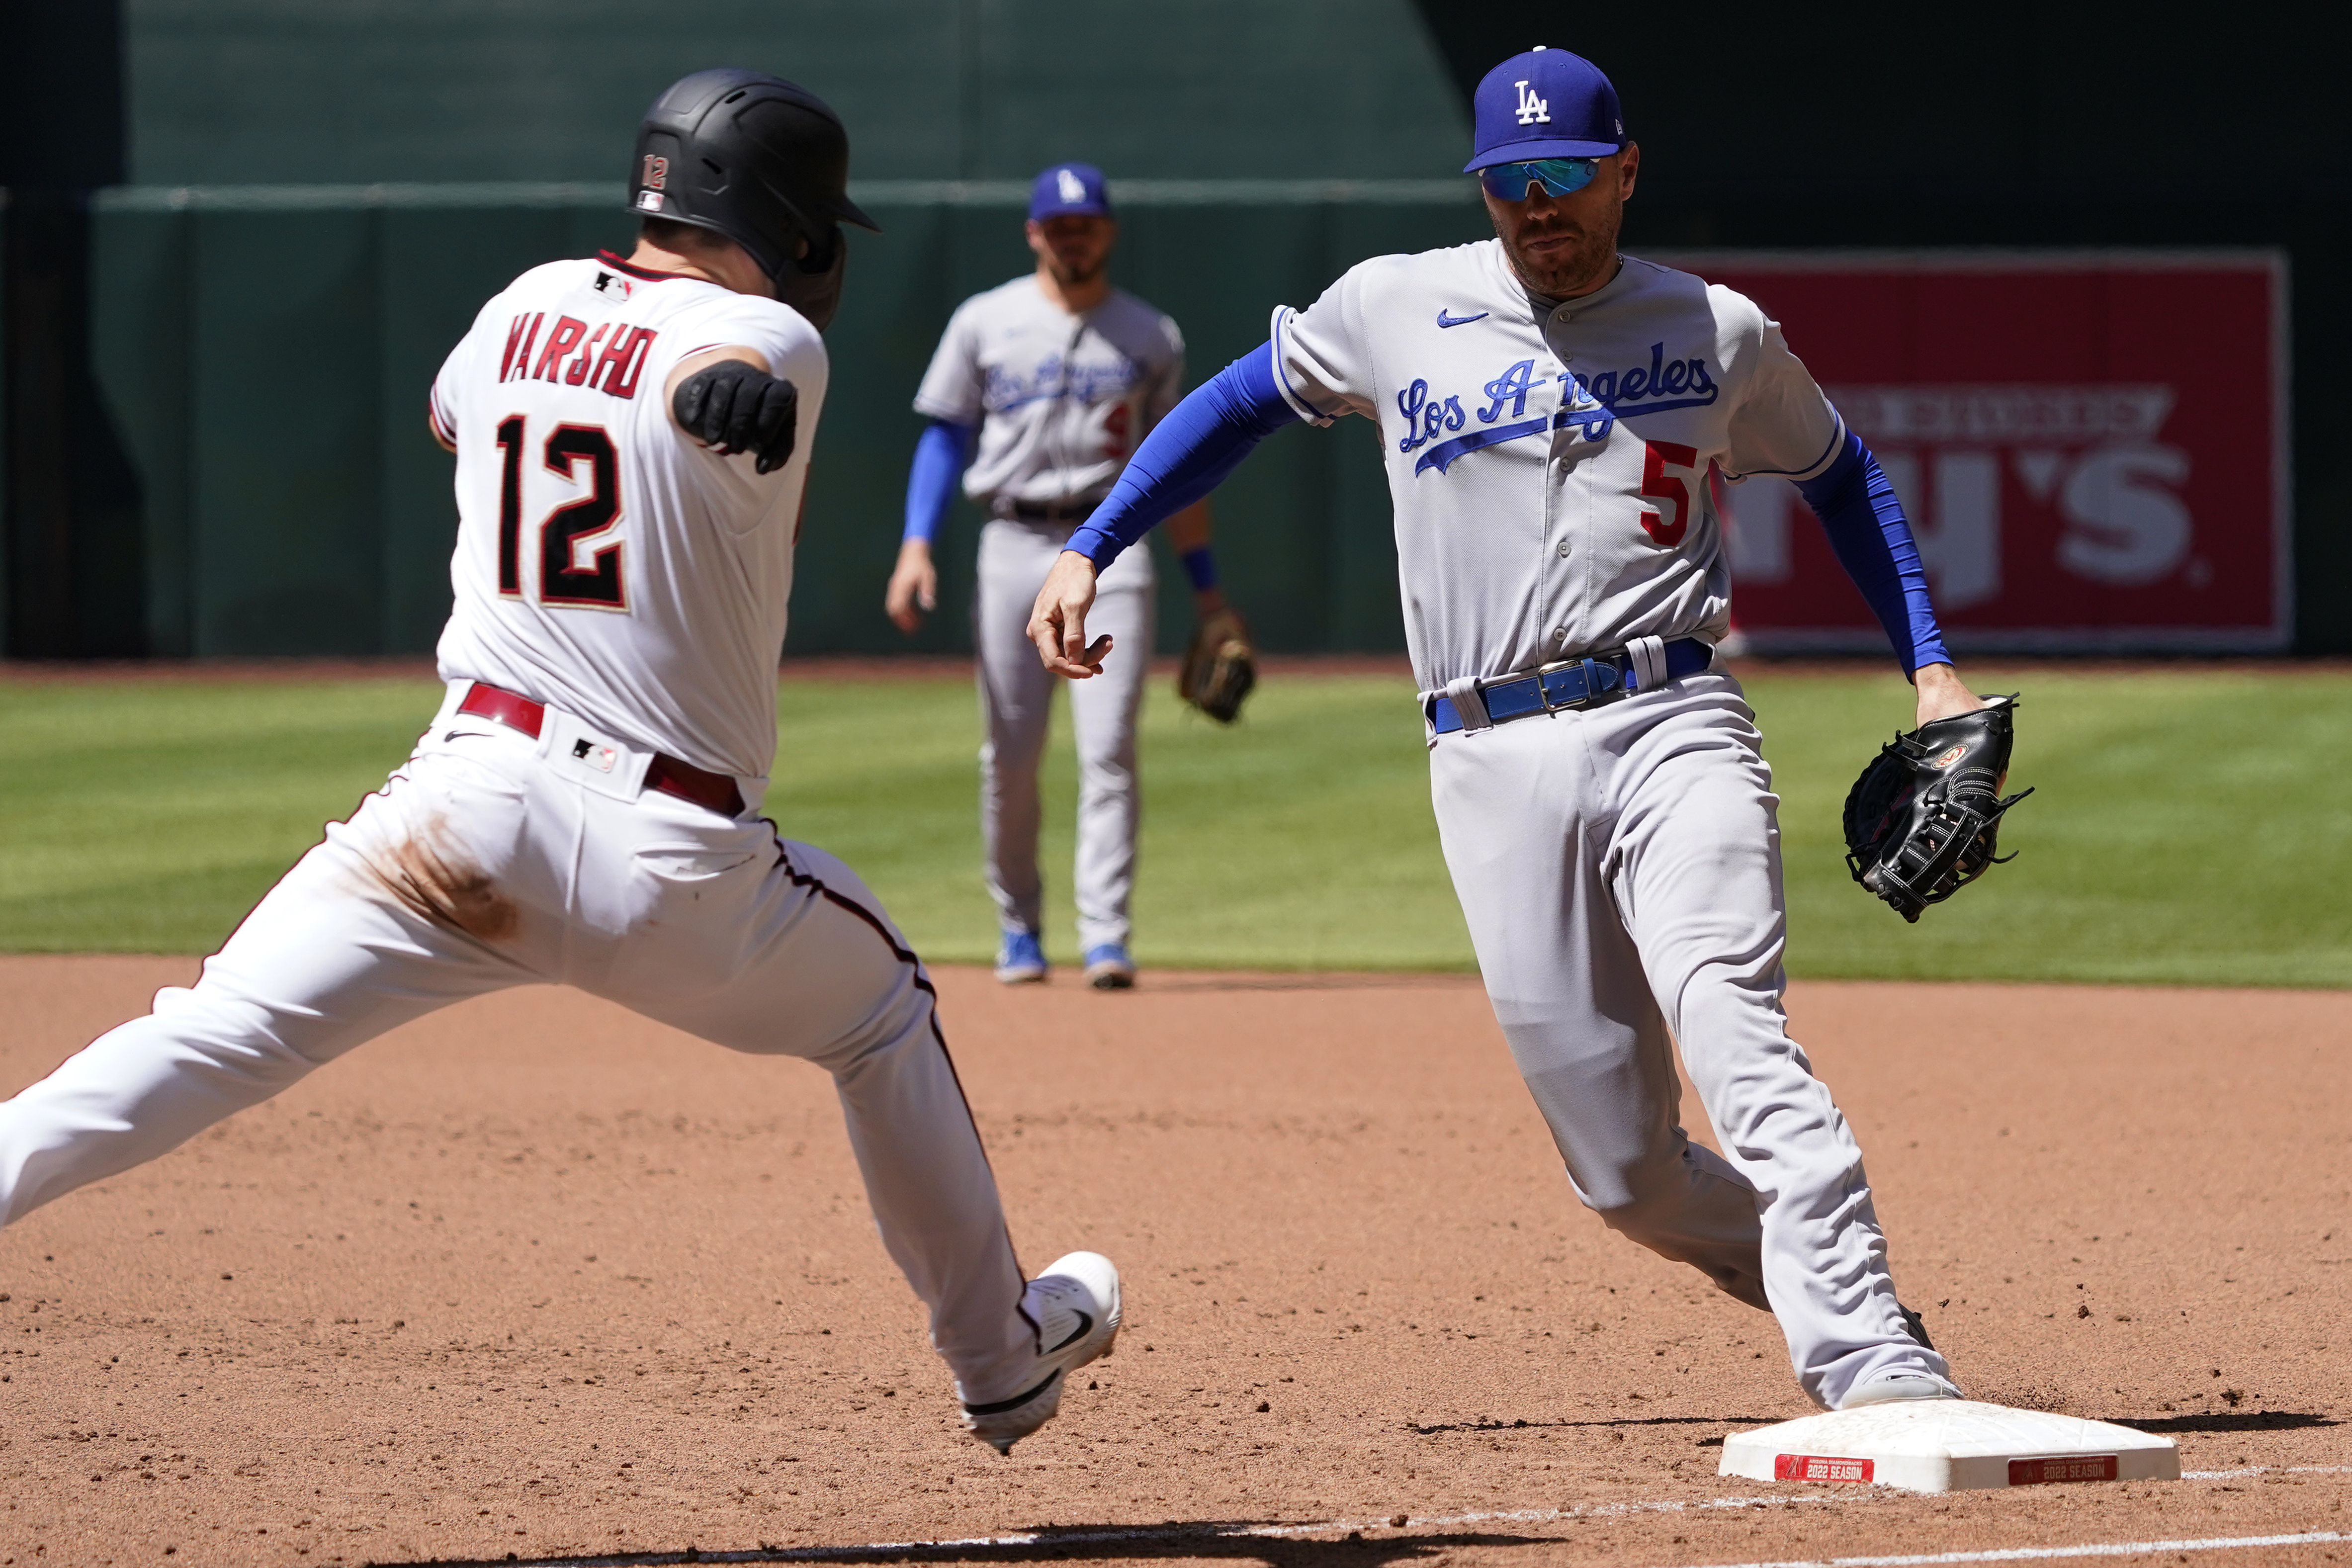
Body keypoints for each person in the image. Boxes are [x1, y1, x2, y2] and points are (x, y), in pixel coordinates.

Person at [0, 69, 1116, 1456]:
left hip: (455, 818)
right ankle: (999, 1361)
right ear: (792, 220)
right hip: (674, 864)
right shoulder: (775, 334)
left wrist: (684, 399)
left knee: (209, 1032)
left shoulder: (514, 305)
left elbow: (461, 415)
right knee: (879, 1011)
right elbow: (747, 373)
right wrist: (724, 392)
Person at [1027, 47, 1974, 1411]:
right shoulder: (1394, 304)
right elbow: (1236, 405)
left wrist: (1929, 670)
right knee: (1623, 1172)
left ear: (1624, 171)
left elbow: (1841, 478)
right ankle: (1829, 1277)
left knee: (1730, 1021)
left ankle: (1869, 1357)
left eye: (1565, 179)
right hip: (1480, 757)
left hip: (1672, 720)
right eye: (1508, 183)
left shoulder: (1717, 330)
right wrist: (1095, 543)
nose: (1538, 206)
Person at [887, 163, 1237, 990]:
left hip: (1111, 542)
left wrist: (1209, 588)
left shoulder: (1151, 334)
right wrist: (915, 544)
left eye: (1087, 224)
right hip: (1010, 539)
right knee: (1010, 752)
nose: (1073, 236)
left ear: (1108, 231)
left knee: (1110, 748)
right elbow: (942, 436)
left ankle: (1107, 935)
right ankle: (1018, 926)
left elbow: (1179, 471)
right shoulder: (986, 321)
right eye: (1059, 224)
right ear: (1035, 232)